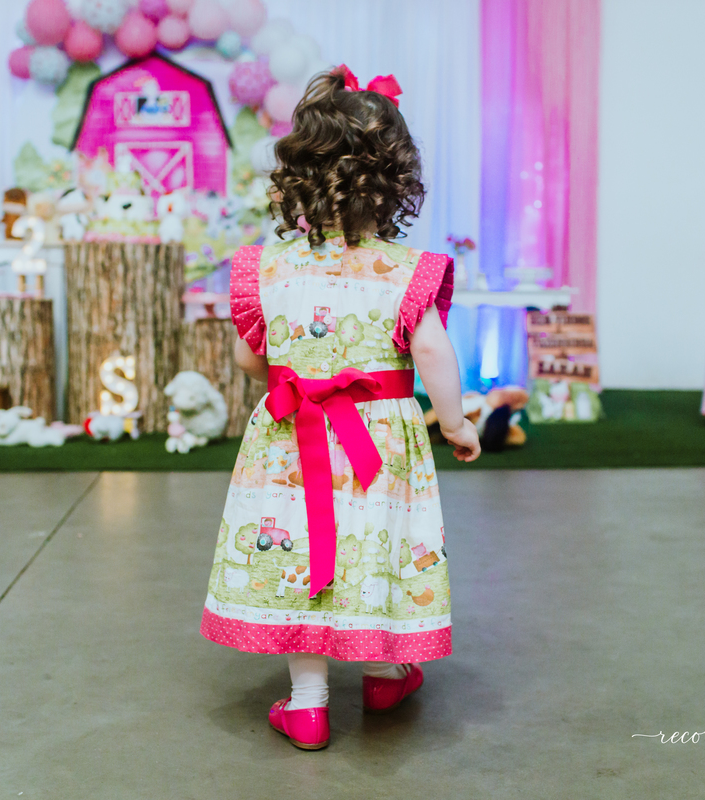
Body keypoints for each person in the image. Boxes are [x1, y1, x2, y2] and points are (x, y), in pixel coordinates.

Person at [200, 65, 480, 751]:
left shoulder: (267, 267)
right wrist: (454, 421)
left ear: (300, 174)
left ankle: (308, 701)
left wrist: (285, 363)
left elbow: (247, 359)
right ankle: (385, 670)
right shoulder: (406, 270)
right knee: (371, 545)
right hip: (376, 446)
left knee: (303, 554)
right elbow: (435, 356)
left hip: (293, 438)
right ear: (394, 184)